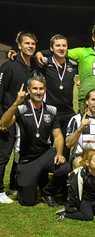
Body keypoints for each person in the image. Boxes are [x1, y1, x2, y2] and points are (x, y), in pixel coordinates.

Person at [0, 73, 70, 206]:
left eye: (41, 89)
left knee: (64, 167)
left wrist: (60, 154)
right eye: (35, 88)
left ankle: (48, 192)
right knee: (28, 202)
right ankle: (30, 182)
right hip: (27, 159)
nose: (38, 92)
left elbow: (58, 136)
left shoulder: (51, 110)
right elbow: (3, 124)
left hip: (45, 155)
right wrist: (16, 102)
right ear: (28, 90)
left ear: (45, 90)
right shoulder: (21, 108)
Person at [36, 22, 95, 113]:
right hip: (86, 108)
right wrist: (40, 53)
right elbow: (60, 51)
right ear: (93, 38)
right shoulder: (82, 52)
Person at [0, 32, 37, 203]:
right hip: (8, 118)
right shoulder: (8, 67)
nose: (30, 46)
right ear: (19, 46)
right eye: (27, 43)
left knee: (19, 153)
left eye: (33, 44)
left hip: (25, 119)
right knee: (4, 154)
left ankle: (13, 186)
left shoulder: (34, 67)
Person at [56, 149, 95, 221]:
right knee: (88, 217)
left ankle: (92, 210)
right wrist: (72, 205)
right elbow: (73, 191)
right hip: (84, 200)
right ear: (87, 163)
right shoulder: (80, 174)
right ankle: (65, 214)